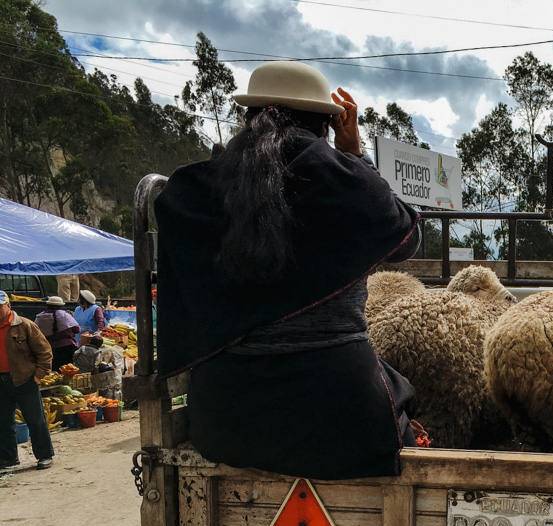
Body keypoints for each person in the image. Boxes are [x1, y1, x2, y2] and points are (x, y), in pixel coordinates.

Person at [154, 61, 421, 480]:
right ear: (326, 126)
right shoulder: (347, 181)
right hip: (344, 420)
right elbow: (406, 240)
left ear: (247, 119)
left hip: (227, 421)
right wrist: (354, 155)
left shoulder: (190, 189)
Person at [0, 290, 54, 470]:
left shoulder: (24, 325)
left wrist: (37, 377)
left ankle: (44, 456)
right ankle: (8, 459)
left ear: (8, 306)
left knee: (35, 420)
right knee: (4, 422)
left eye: (0, 306)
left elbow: (45, 353)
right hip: (1, 382)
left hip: (25, 380)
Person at [34, 296, 79, 369]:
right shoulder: (64, 315)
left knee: (52, 370)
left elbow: (35, 331)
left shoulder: (40, 317)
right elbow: (77, 329)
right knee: (66, 370)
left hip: (48, 348)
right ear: (61, 306)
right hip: (66, 348)